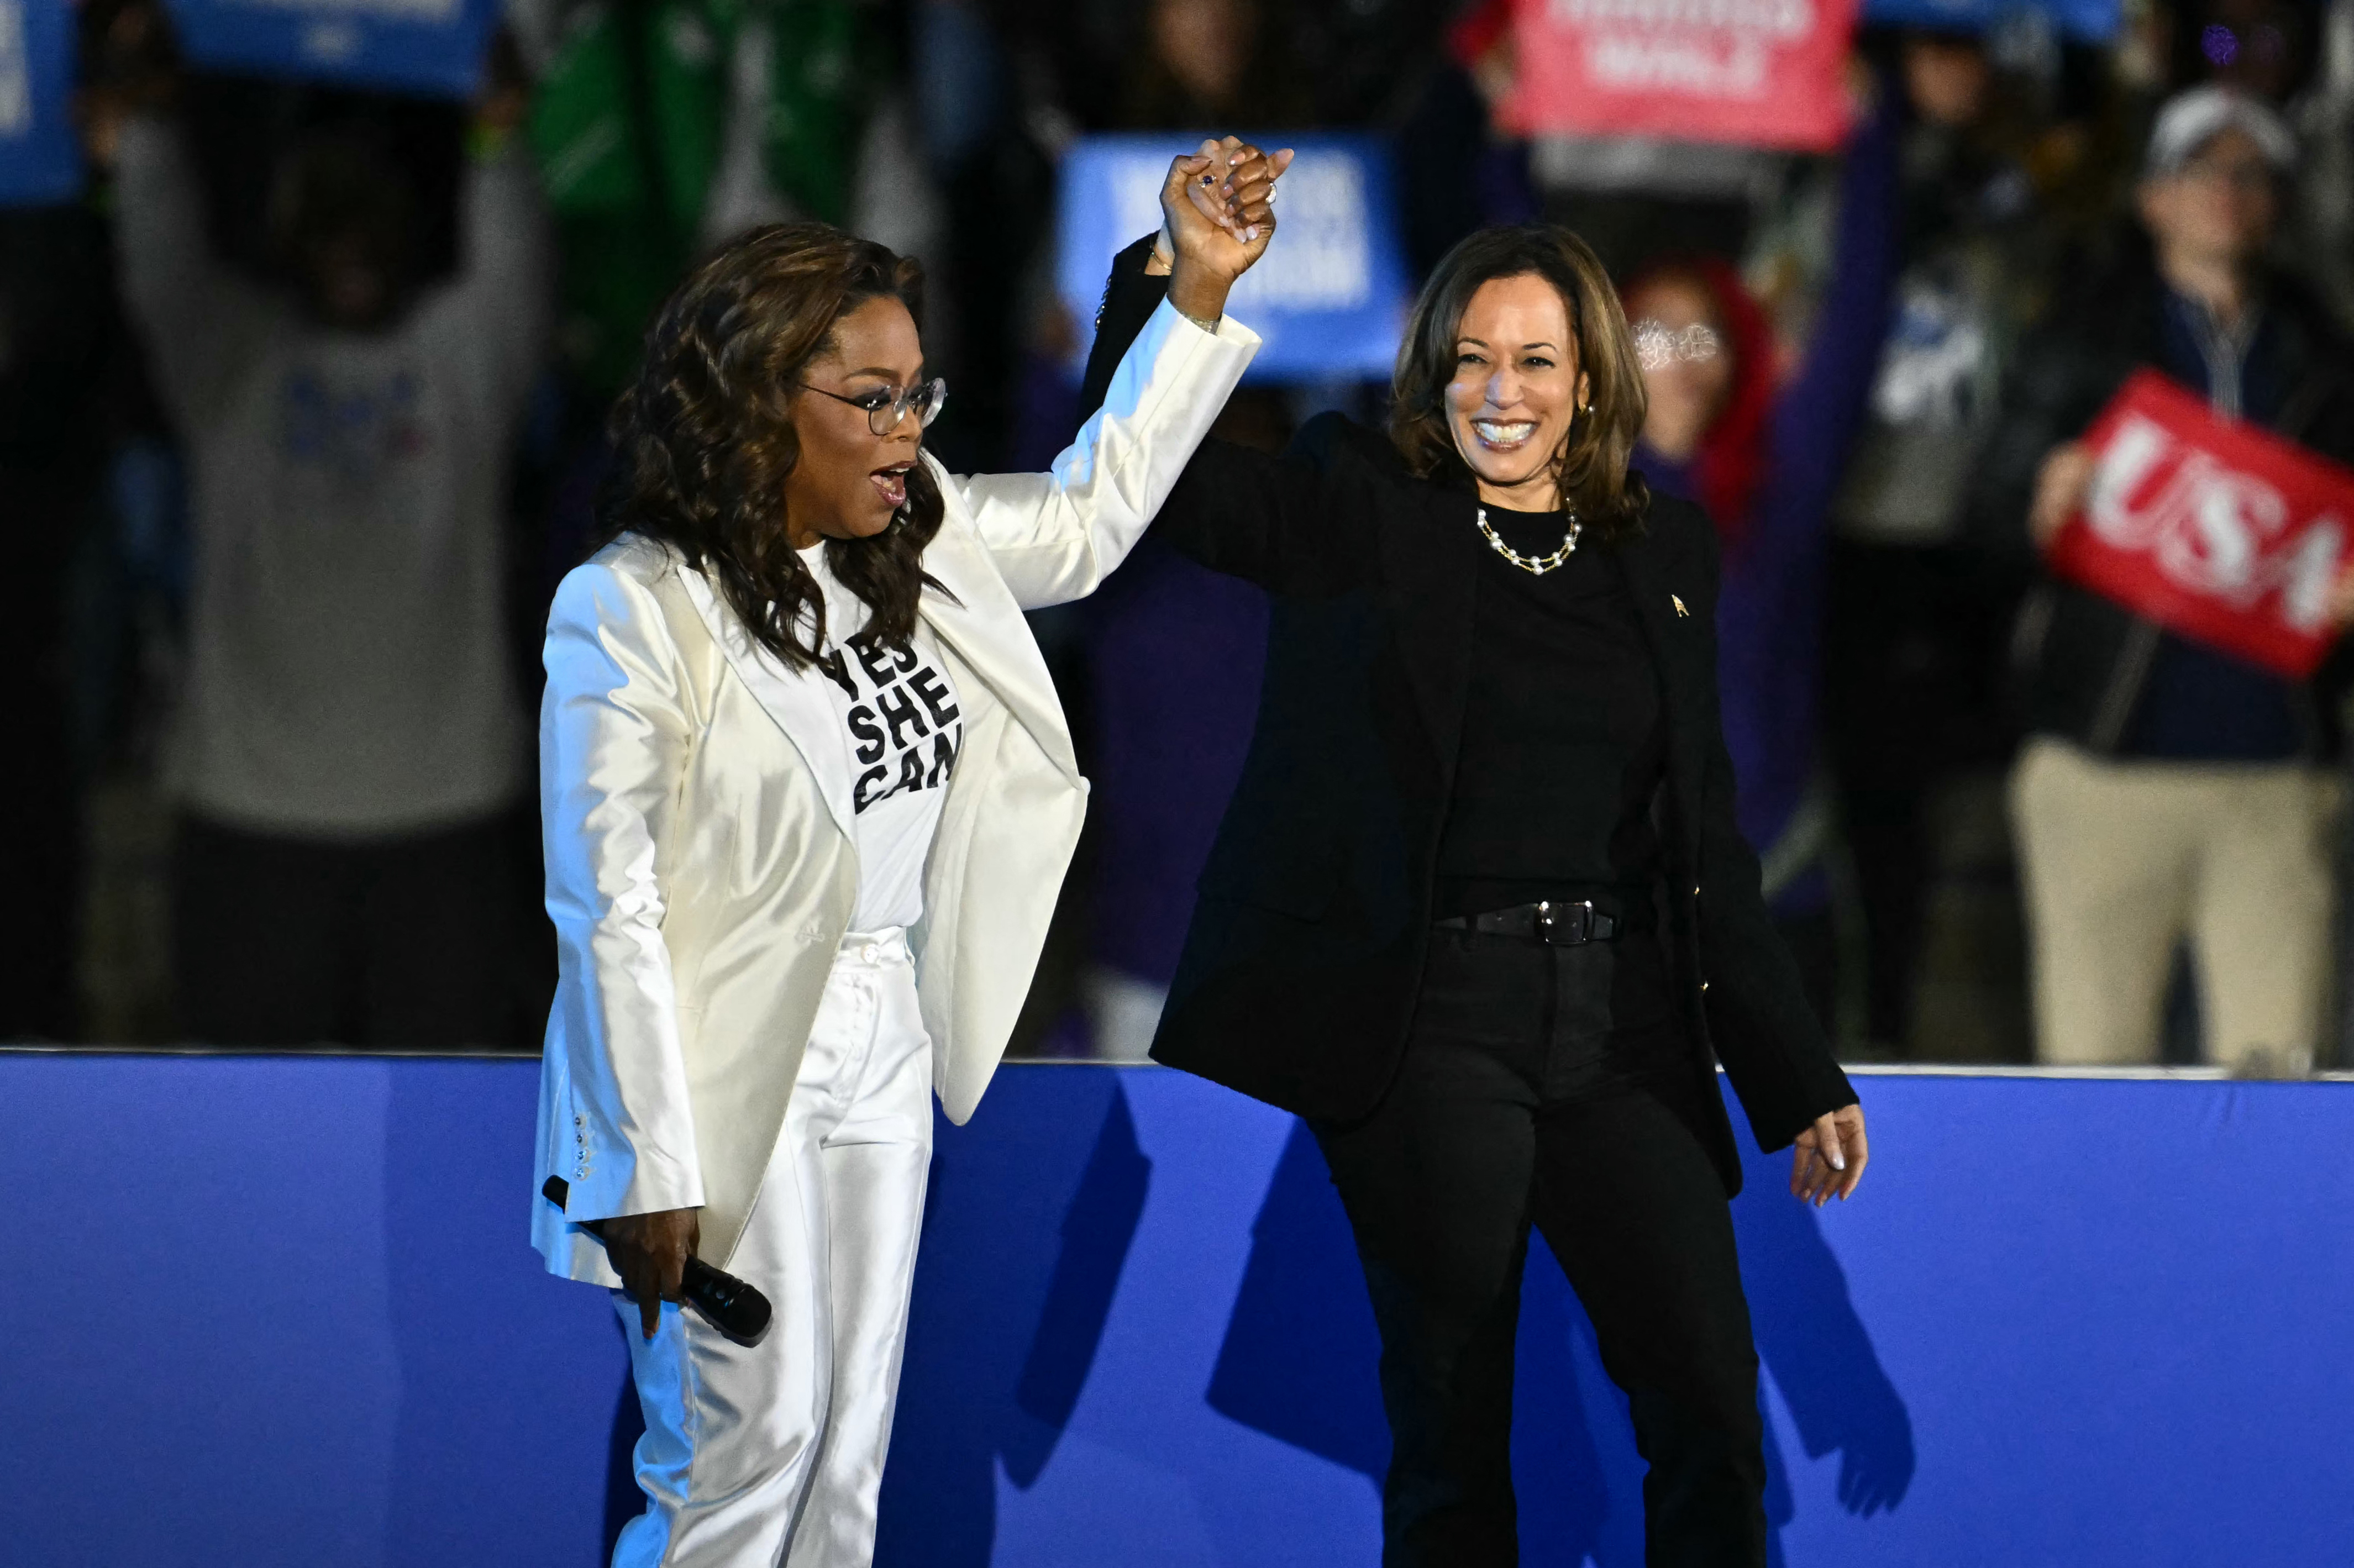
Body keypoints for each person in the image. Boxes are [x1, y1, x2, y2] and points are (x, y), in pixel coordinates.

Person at [1081, 145, 1870, 1565]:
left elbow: (1704, 841)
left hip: (1627, 1025)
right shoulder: (1361, 504)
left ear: (1592, 379)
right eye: (1471, 358)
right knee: (1453, 1432)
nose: (1501, 390)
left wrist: (1794, 1068)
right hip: (1433, 1022)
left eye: (1536, 359)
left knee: (1708, 1403)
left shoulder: (1666, 551)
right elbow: (1158, 488)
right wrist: (1181, 288)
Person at [533, 145, 1278, 1566]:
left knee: (848, 1452)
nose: (904, 429)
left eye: (918, 394)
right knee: (739, 1461)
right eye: (871, 398)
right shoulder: (631, 606)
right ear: (759, 403)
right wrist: (645, 1161)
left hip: (883, 1027)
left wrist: (1193, 296)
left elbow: (1091, 517)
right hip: (718, 1057)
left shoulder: (914, 537)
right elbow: (607, 905)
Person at [108, 49, 553, 1048]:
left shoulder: (462, 360)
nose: (349, 243)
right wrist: (148, 127)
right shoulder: (230, 360)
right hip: (251, 818)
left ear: (411, 234)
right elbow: (159, 257)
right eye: (322, 221)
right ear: (285, 243)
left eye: (370, 220)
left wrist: (497, 135)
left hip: (445, 819)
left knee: (441, 1118)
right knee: (249, 1124)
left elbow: (515, 259)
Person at [1973, 86, 2354, 1074]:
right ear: (2153, 199)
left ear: (2276, 203)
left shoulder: (2330, 358)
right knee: (2094, 1079)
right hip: (2104, 769)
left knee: (2280, 1088)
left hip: (2276, 777)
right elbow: (1985, 515)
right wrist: (2037, 500)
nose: (2226, 189)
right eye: (2200, 168)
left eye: (2250, 172)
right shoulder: (2079, 337)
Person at [1617, 86, 1900, 1025]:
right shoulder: (1558, 499)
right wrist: (1503, 148)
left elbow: (1859, 313)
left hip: (1780, 883)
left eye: (1704, 331)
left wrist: (1869, 134)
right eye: (1653, 329)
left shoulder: (1781, 491)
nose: (1681, 352)